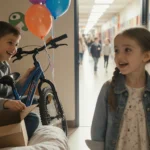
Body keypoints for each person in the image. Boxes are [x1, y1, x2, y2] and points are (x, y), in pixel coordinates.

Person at [86, 27, 150, 150]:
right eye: (116, 50)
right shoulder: (109, 89)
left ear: (146, 56)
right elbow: (97, 129)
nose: (119, 56)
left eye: (127, 50)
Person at [0, 21, 39, 140]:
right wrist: (6, 103)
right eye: (10, 42)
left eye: (16, 44)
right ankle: (11, 138)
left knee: (33, 100)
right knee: (33, 119)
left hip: (3, 107)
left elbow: (9, 92)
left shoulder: (5, 65)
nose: (14, 49)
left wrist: (24, 79)